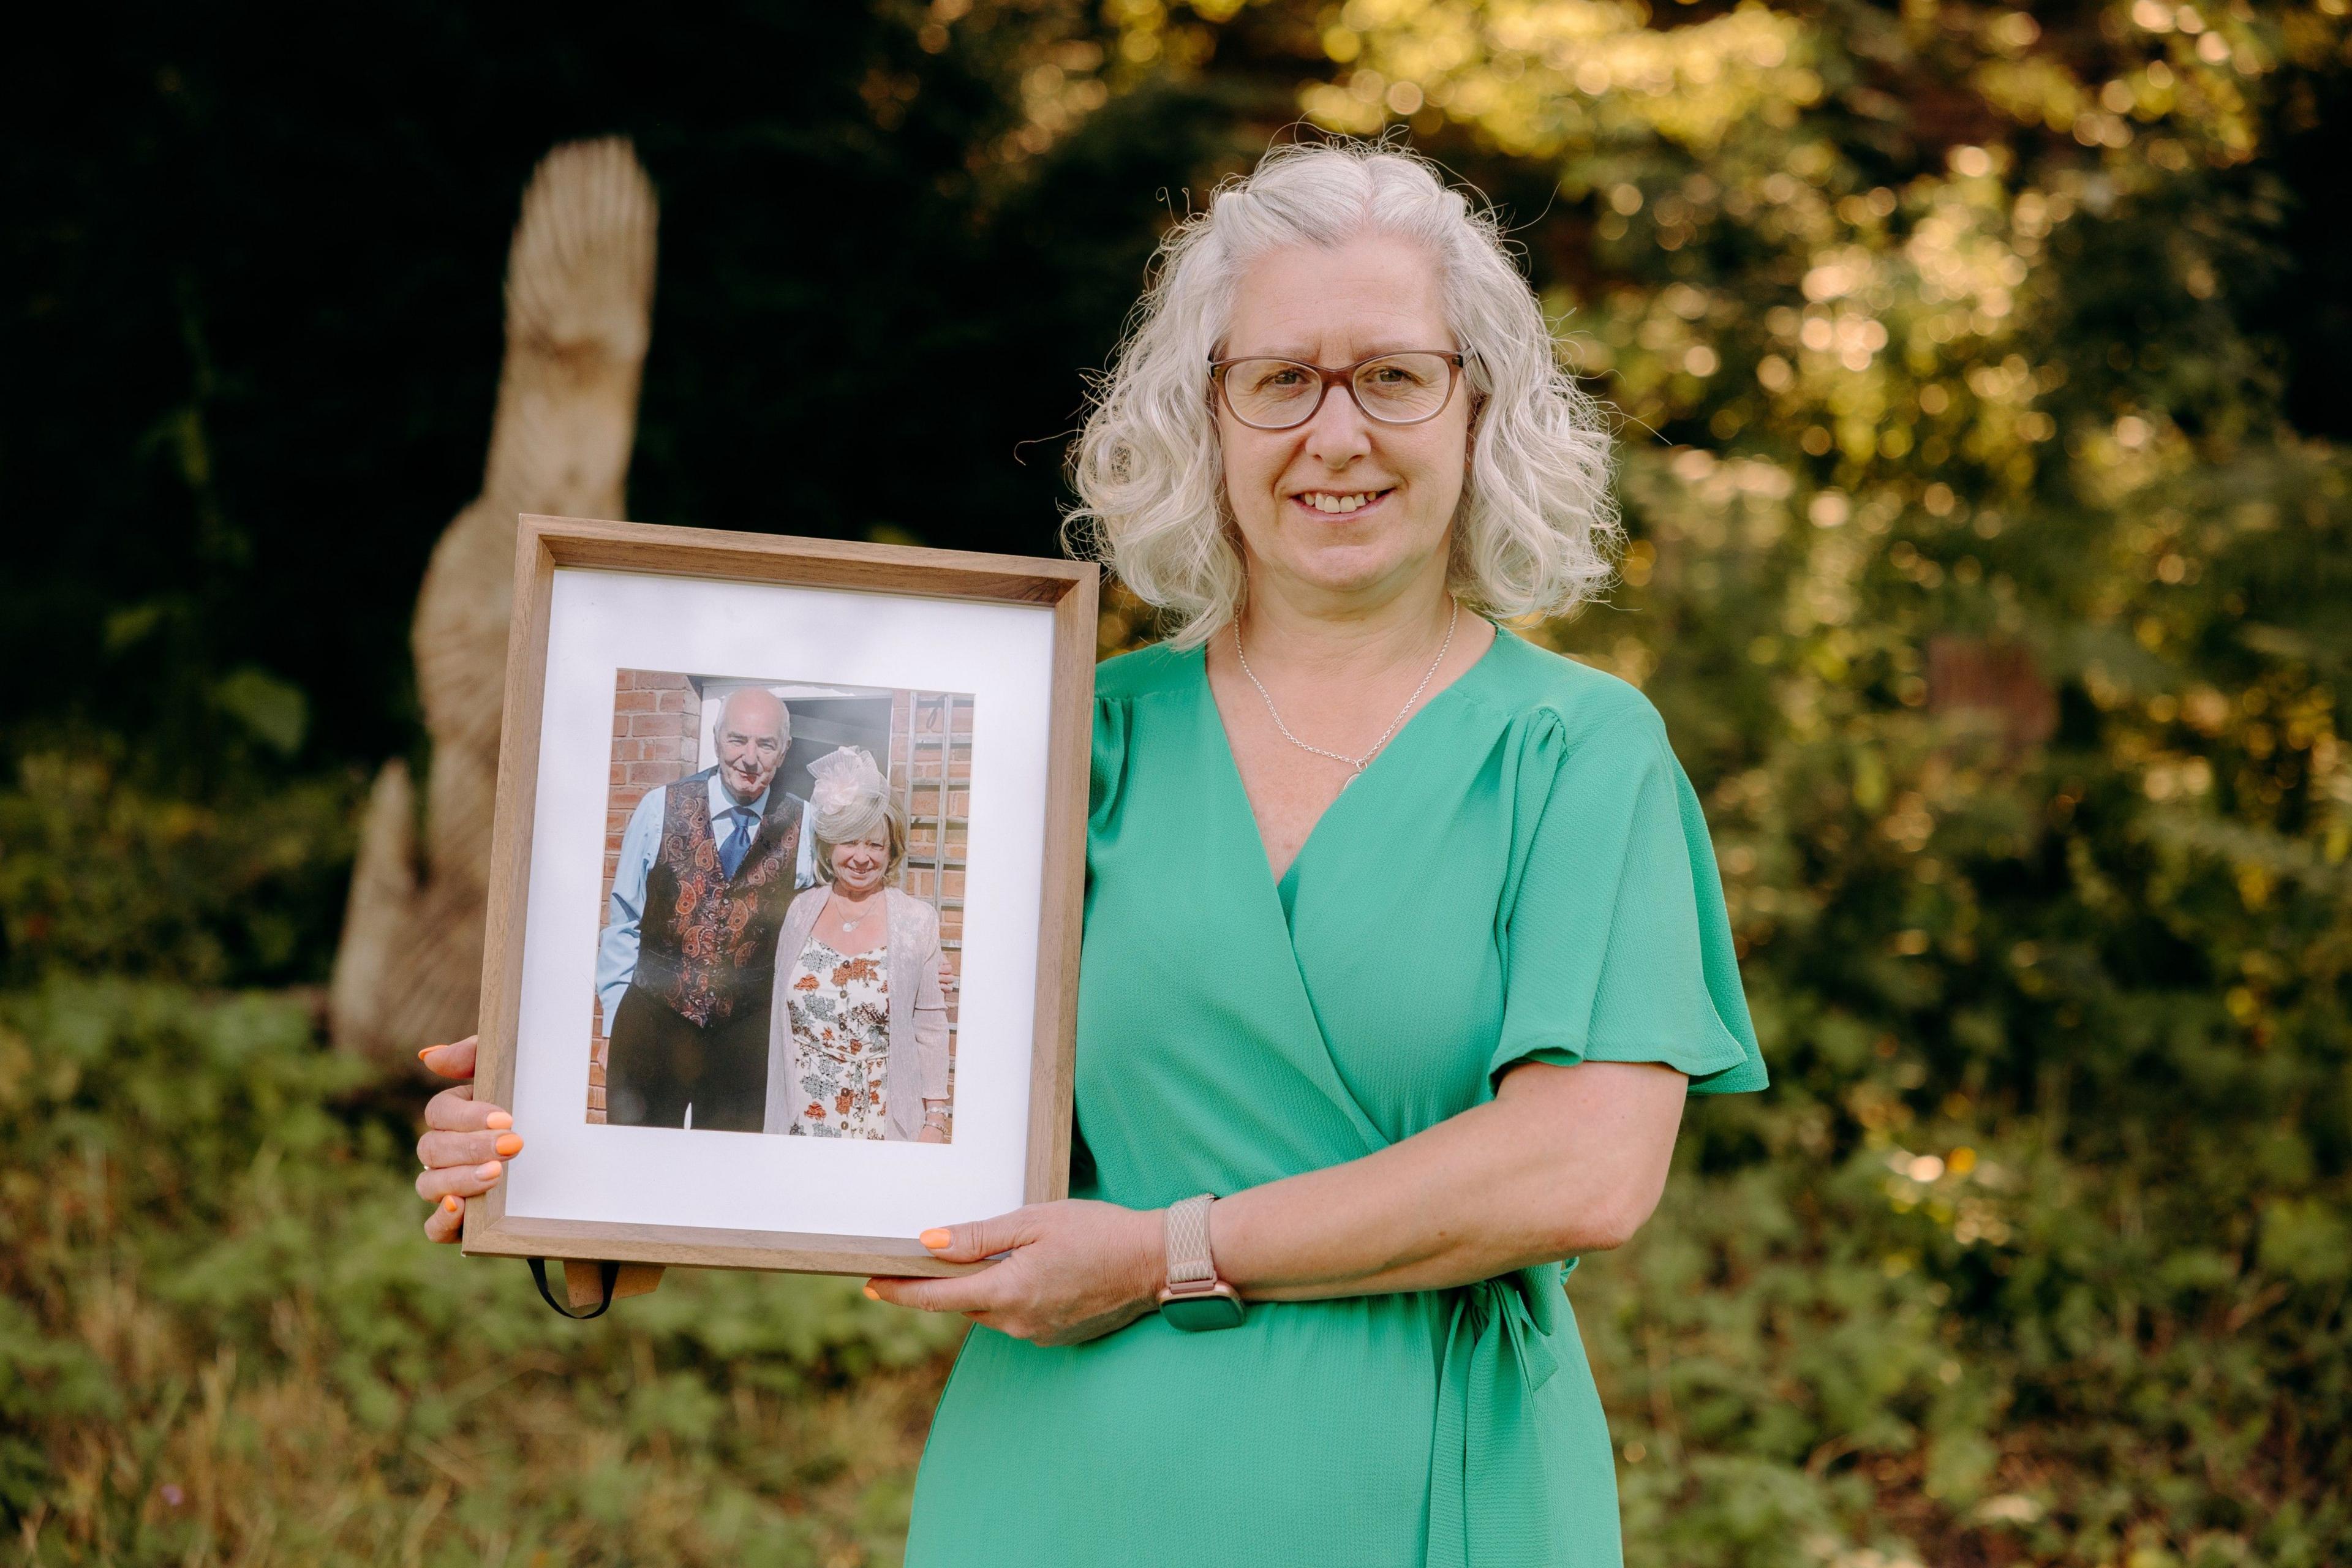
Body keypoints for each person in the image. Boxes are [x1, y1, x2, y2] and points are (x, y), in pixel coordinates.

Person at [416, 140, 1766, 1567]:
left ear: (1476, 405)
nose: (1334, 430)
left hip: (1428, 1481)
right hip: (1068, 1489)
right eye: (1278, 380)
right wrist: (579, 1177)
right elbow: (902, 1114)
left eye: (1391, 374)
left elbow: (1582, 1168)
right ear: (1206, 418)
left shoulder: (1576, 748)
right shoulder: (1078, 740)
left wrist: (1160, 1252)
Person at [594, 685, 810, 1131]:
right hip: (652, 1022)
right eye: (738, 740)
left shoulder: (806, 826)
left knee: (727, 1181)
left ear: (784, 751)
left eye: (765, 744)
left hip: (745, 1038)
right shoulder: (659, 808)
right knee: (637, 1169)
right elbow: (624, 921)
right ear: (716, 740)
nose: (750, 758)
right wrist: (616, 1022)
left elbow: (831, 918)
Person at [763, 746, 953, 1142]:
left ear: (892, 850)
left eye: (875, 844)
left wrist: (935, 1119)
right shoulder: (801, 911)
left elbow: (931, 1028)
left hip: (881, 1125)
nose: (862, 857)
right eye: (850, 841)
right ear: (830, 845)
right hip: (802, 1124)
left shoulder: (917, 922)